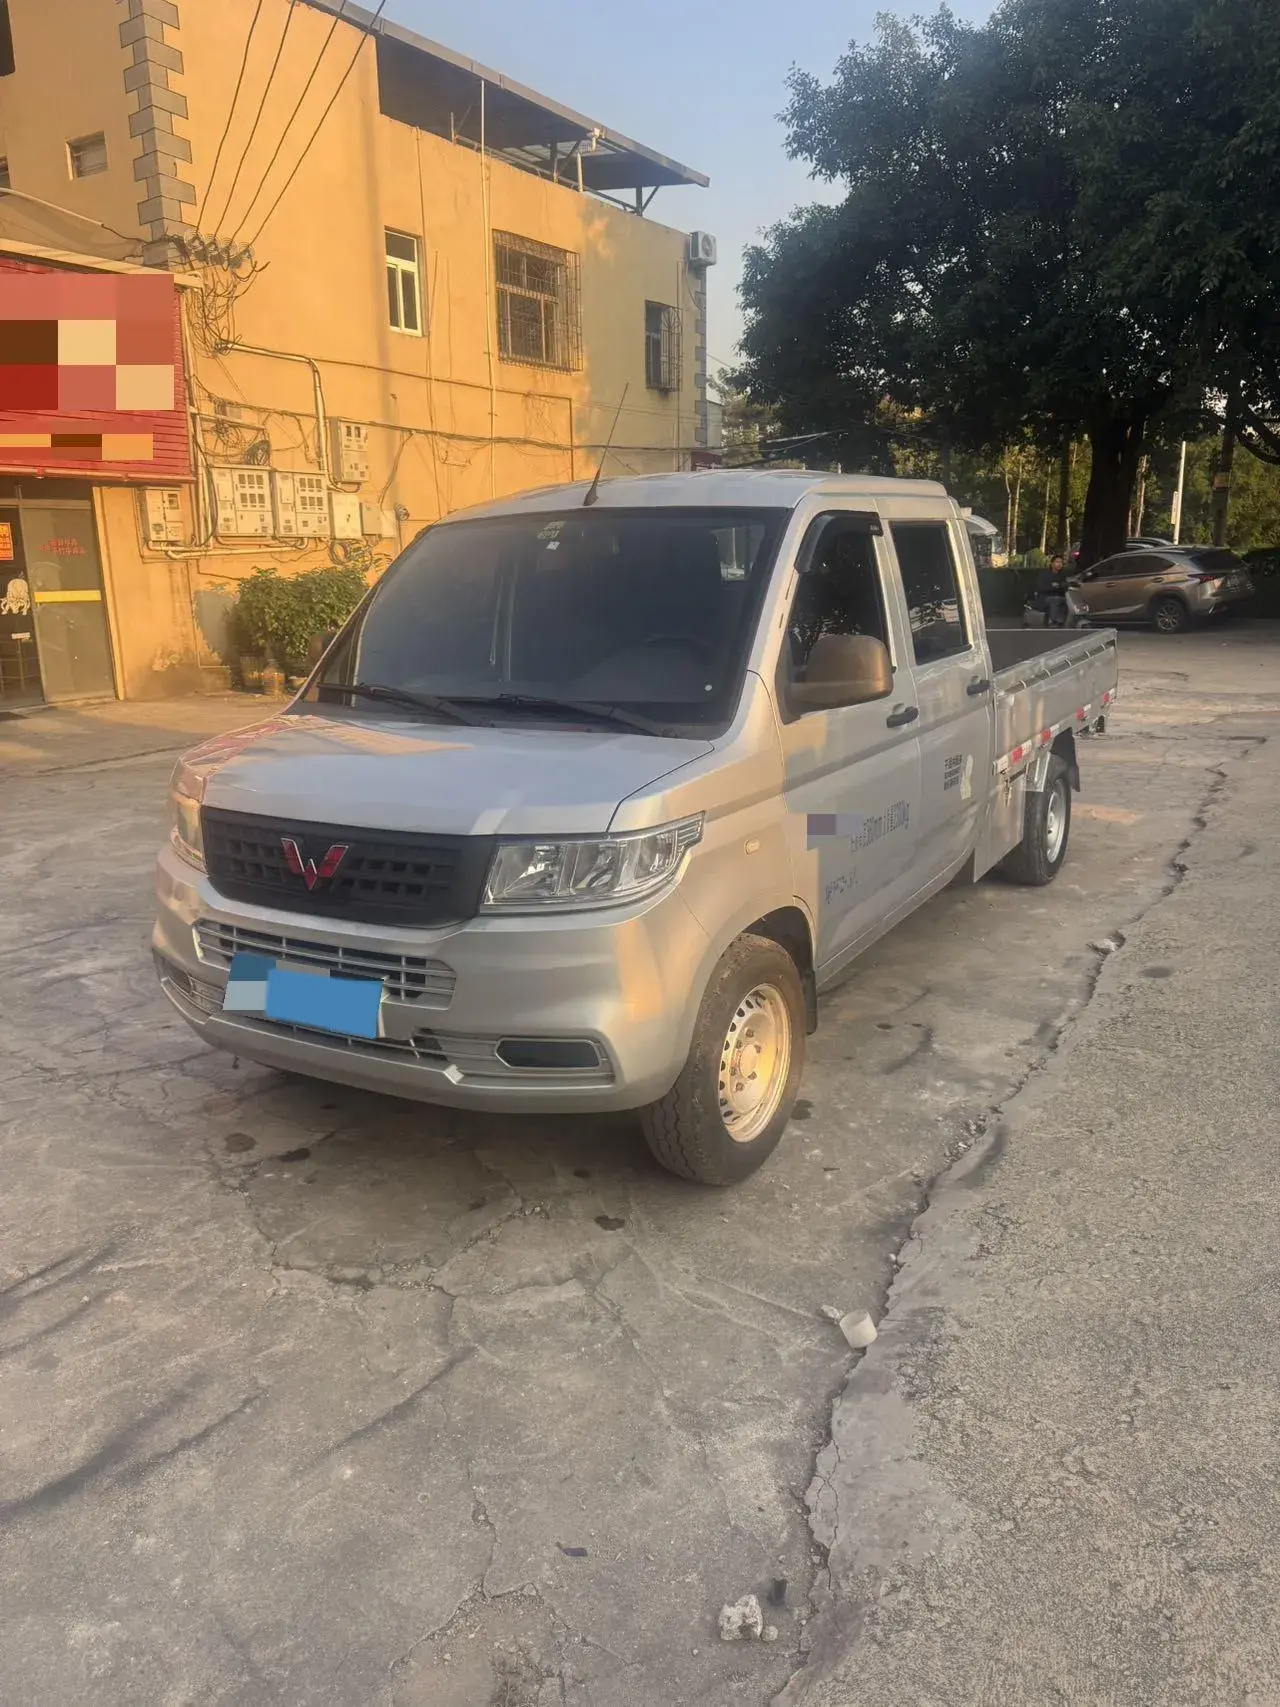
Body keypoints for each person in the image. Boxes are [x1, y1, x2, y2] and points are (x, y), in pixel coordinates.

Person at [1034, 554, 1070, 626]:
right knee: (1056, 600)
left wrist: (1063, 585)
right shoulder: (1044, 574)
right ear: (1052, 564)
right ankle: (1053, 621)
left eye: (1061, 563)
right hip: (1044, 598)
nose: (1059, 564)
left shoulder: (1063, 575)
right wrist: (1052, 586)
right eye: (1057, 562)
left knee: (1066, 600)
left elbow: (1066, 585)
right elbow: (1040, 587)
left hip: (1060, 597)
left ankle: (1066, 621)